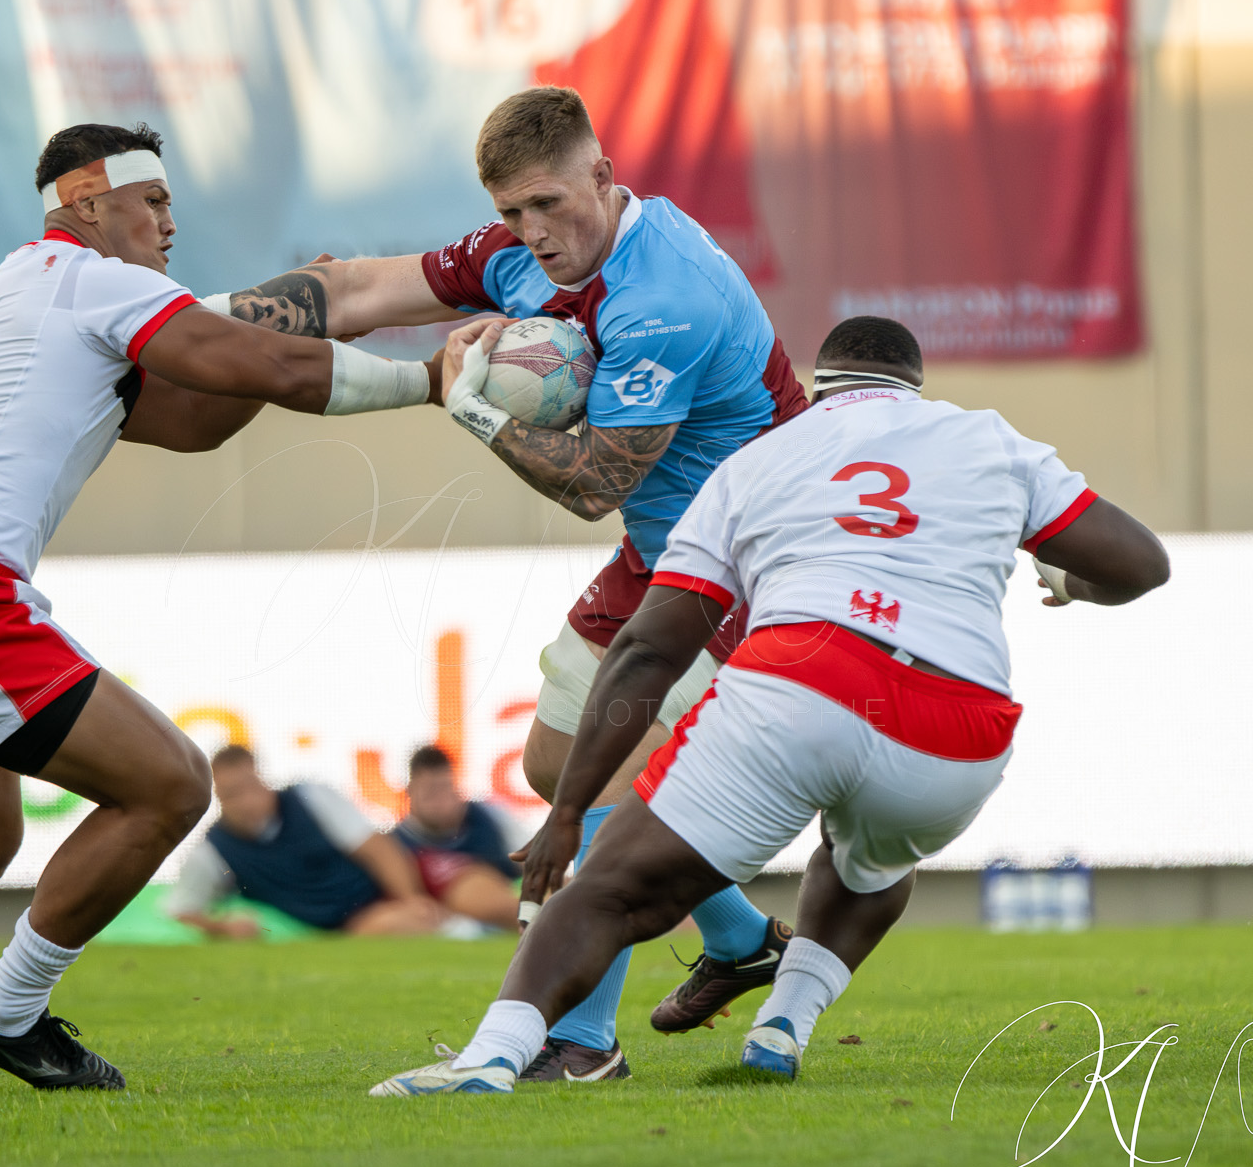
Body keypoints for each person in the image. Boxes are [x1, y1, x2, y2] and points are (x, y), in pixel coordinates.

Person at [0, 122, 444, 1100]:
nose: (166, 224)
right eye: (149, 202)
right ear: (82, 201)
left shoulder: (28, 285)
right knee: (168, 785)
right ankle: (7, 1015)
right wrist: (434, 380)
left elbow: (195, 417)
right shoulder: (97, 280)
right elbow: (266, 371)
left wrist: (311, 324)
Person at [371, 316, 1171, 1095]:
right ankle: (782, 1023)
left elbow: (651, 649)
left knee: (610, 891)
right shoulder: (990, 439)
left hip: (802, 684)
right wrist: (1071, 581)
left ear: (821, 390)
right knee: (877, 860)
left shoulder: (759, 459)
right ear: (914, 388)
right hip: (957, 728)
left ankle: (492, 1056)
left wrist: (570, 811)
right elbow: (1141, 564)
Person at [208, 86, 804, 1080]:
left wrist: (472, 407)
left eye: (549, 207)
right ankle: (741, 943)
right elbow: (351, 291)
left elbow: (594, 482)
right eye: (510, 215)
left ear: (603, 180)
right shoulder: (517, 258)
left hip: (751, 560)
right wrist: (173, 322)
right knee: (548, 767)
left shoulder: (667, 298)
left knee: (603, 792)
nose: (533, 236)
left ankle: (577, 1041)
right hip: (659, 553)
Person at [167, 746, 447, 938]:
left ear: (262, 779)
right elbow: (182, 912)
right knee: (397, 926)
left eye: (250, 786)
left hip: (392, 891)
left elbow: (378, 850)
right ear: (218, 798)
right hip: (346, 926)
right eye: (232, 794)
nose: (246, 802)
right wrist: (223, 928)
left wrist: (411, 899)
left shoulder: (312, 797)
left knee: (469, 897)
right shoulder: (212, 852)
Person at [392, 745, 520, 928]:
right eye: (430, 792)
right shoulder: (396, 847)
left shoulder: (488, 817)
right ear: (410, 792)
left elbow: (531, 861)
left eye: (446, 789)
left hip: (513, 893)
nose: (441, 801)